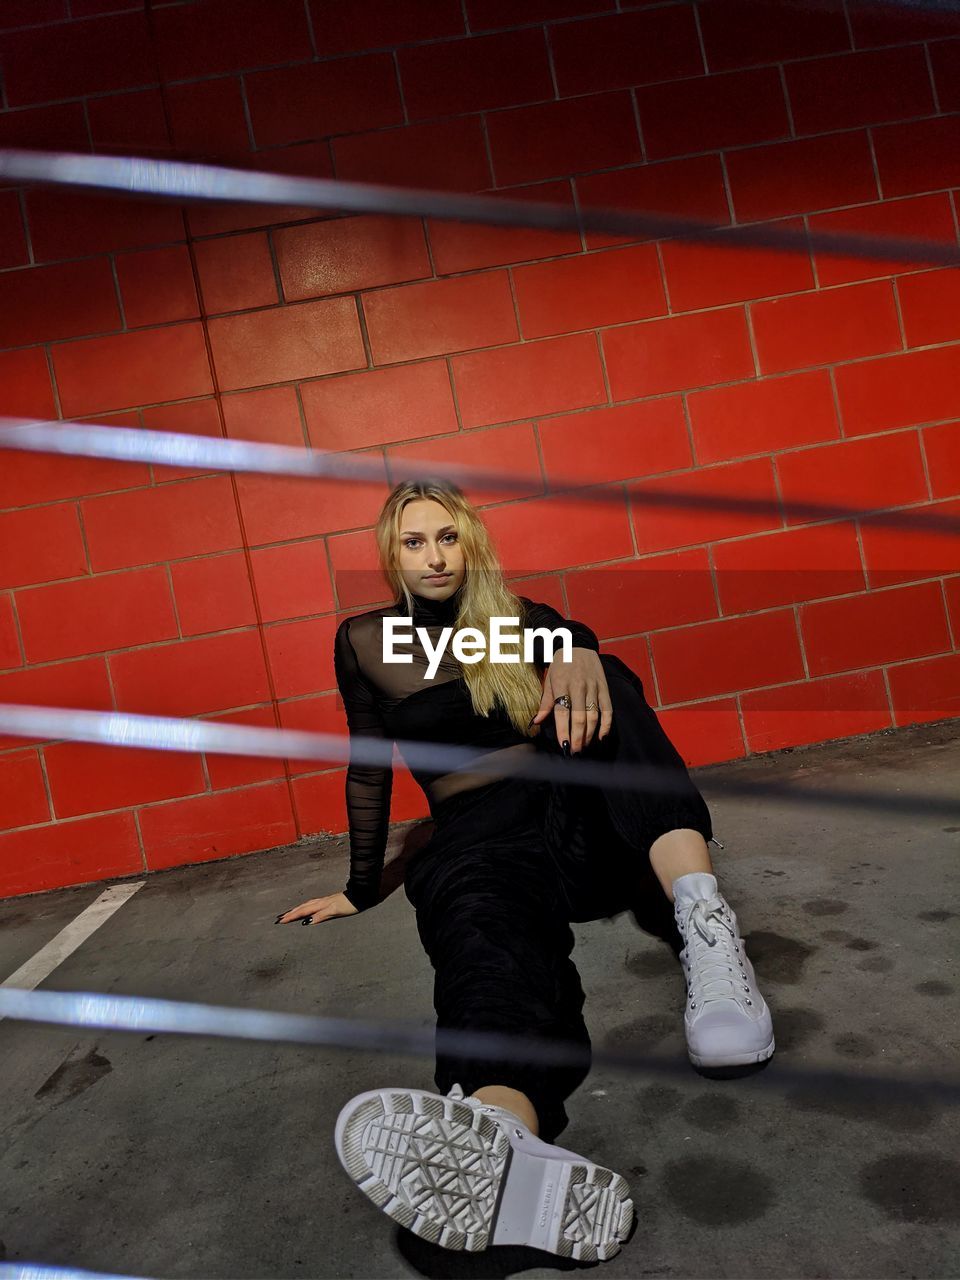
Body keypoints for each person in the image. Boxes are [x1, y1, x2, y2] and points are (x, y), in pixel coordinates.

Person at [277, 477, 774, 1261]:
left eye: (448, 538)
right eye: (415, 541)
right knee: (478, 927)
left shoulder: (507, 622)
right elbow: (367, 768)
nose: (434, 556)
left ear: (470, 546)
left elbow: (569, 631)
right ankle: (502, 1129)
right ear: (391, 555)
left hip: (576, 819)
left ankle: (707, 928)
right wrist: (359, 886)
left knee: (608, 679)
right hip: (480, 836)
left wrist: (579, 651)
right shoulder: (366, 642)